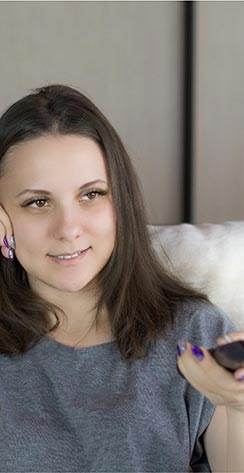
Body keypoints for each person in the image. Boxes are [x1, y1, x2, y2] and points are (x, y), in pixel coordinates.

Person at [0, 84, 243, 473]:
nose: (68, 228)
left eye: (91, 195)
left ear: (121, 201)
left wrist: (238, 406)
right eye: (37, 202)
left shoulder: (197, 333)